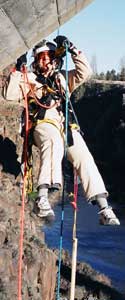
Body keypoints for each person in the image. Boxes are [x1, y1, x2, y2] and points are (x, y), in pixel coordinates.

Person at [3, 35, 120, 225]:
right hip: (43, 124)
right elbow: (9, 93)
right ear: (36, 60)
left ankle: (103, 206)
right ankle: (42, 197)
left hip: (65, 125)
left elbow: (85, 72)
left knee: (84, 156)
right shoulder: (29, 78)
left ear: (55, 60)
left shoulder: (63, 78)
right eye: (41, 57)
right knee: (53, 142)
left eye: (49, 57)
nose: (46, 61)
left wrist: (72, 49)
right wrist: (18, 68)